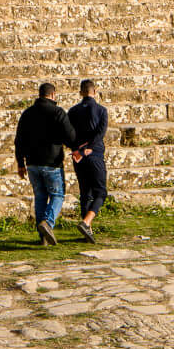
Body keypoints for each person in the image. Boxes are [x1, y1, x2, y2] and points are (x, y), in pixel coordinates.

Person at [13, 82, 77, 245]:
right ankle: (47, 223)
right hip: (52, 162)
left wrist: (20, 163)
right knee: (57, 195)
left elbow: (19, 140)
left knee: (40, 197)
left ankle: (43, 237)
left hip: (32, 163)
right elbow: (70, 136)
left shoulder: (27, 113)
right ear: (53, 95)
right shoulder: (58, 112)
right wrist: (76, 148)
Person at [67, 79, 108, 241]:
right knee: (100, 192)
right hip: (95, 154)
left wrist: (76, 149)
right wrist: (89, 147)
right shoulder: (101, 110)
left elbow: (68, 133)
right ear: (95, 91)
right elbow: (100, 132)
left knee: (85, 193)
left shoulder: (72, 111)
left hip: (78, 156)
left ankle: (87, 231)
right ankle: (87, 221)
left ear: (80, 92)